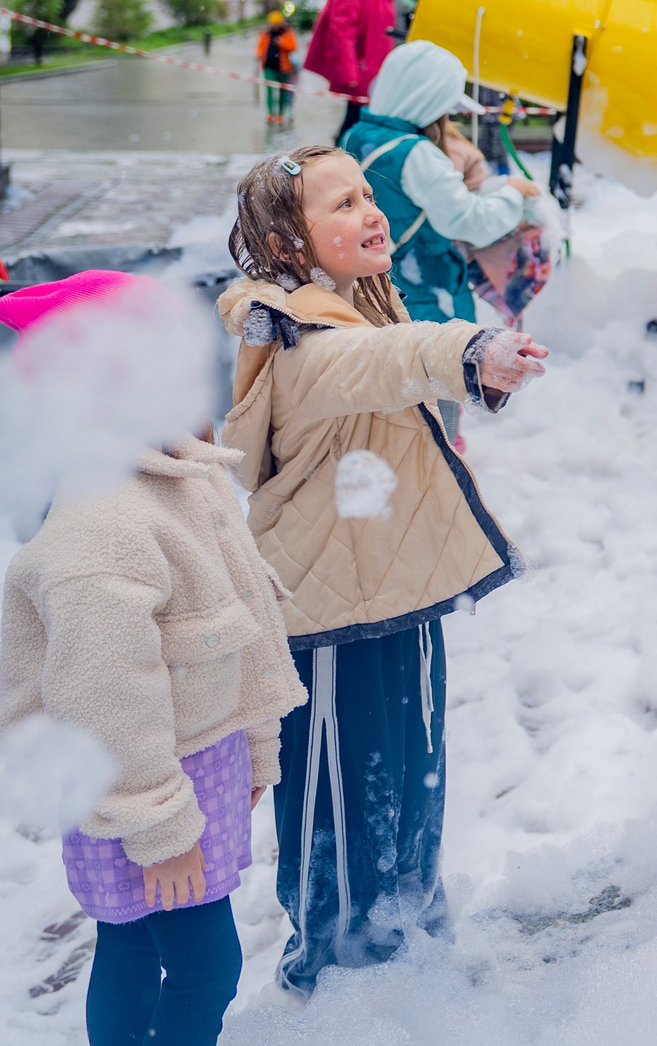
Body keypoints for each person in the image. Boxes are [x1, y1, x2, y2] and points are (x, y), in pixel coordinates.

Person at [216, 146, 549, 993]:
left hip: (394, 592)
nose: (369, 211)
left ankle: (411, 942)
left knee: (412, 773)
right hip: (328, 614)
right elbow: (385, 360)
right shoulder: (301, 331)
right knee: (341, 799)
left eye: (369, 194)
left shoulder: (359, 300)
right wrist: (469, 349)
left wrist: (476, 360)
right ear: (292, 245)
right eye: (341, 204)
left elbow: (396, 351)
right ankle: (335, 974)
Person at [0, 270, 306, 1046]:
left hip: (185, 762)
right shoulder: (101, 530)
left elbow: (245, 621)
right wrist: (162, 832)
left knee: (134, 946)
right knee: (204, 967)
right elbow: (104, 699)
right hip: (143, 787)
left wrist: (254, 746)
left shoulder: (180, 473)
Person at [341, 41, 536, 333]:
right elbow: (469, 220)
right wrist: (513, 192)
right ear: (429, 99)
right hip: (427, 291)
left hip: (382, 281)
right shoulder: (417, 154)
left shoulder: (355, 134)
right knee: (439, 370)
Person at [304, 0, 411, 142]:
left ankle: (347, 160)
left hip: (372, 63)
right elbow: (341, 29)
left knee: (357, 118)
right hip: (363, 66)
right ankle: (342, 162)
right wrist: (350, 74)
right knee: (356, 119)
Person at [254, 9, 299, 130]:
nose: (274, 25)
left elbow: (293, 47)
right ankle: (270, 114)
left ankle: (280, 114)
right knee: (269, 90)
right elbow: (260, 47)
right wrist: (258, 55)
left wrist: (281, 43)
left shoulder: (287, 32)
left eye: (276, 23)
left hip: (284, 68)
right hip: (269, 66)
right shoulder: (266, 33)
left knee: (282, 92)